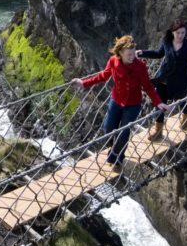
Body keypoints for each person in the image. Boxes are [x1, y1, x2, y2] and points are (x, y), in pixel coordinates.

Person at [72, 35, 170, 171]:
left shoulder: (140, 66)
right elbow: (103, 76)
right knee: (108, 129)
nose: (132, 57)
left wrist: (158, 103)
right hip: (116, 101)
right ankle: (115, 149)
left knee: (123, 132)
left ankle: (117, 158)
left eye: (133, 53)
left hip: (133, 104)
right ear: (121, 53)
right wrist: (84, 84)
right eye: (129, 54)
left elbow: (147, 86)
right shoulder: (113, 61)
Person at [136, 19, 187, 141]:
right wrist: (143, 53)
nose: (180, 35)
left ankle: (186, 114)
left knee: (181, 102)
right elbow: (159, 54)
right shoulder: (167, 42)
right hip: (163, 80)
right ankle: (158, 131)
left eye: (183, 33)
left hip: (180, 82)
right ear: (172, 32)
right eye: (178, 33)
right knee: (159, 105)